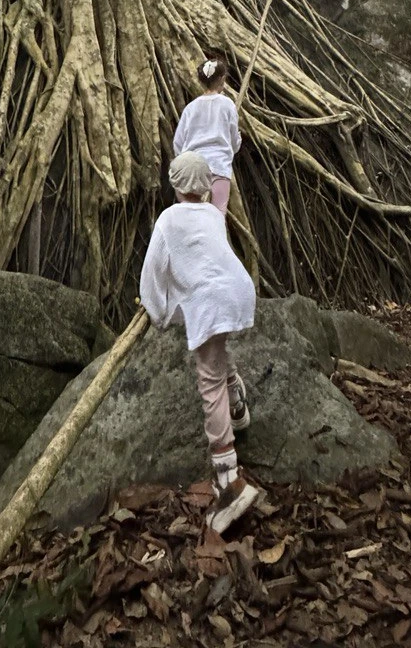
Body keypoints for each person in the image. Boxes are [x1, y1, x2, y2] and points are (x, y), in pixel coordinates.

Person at [139, 151, 258, 534]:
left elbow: (155, 268)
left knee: (208, 378)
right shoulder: (213, 216)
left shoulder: (168, 219)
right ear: (207, 187)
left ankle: (229, 480)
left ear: (175, 185)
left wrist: (155, 311)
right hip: (236, 289)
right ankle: (237, 404)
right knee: (217, 351)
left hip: (208, 300)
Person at [172, 54, 241, 215]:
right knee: (217, 217)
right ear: (223, 79)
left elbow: (178, 143)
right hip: (219, 167)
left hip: (194, 170)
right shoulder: (228, 105)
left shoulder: (191, 108)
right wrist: (237, 142)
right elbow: (234, 142)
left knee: (192, 217)